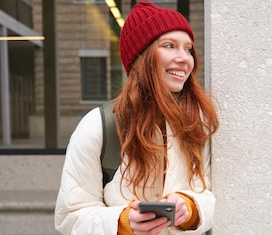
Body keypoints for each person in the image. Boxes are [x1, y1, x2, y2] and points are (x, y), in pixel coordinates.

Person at [54, 1, 219, 234]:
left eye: (188, 48)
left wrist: (191, 209)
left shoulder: (197, 123)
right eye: (169, 45)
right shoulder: (98, 126)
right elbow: (69, 218)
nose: (185, 58)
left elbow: (212, 196)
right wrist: (121, 222)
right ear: (141, 57)